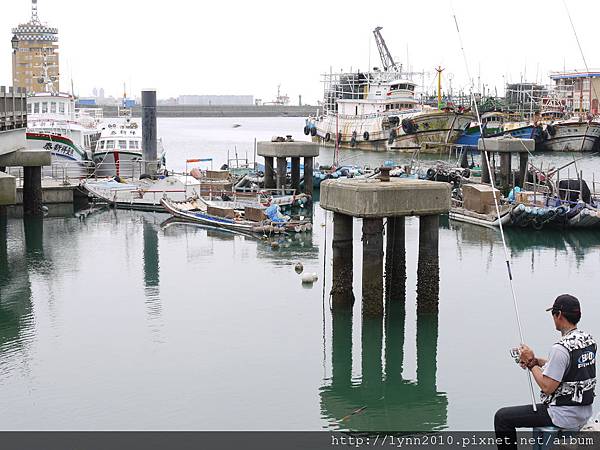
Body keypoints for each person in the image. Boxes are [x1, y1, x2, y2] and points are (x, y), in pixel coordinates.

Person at [494, 294, 596, 450]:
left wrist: (529, 362)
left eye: (553, 314)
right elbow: (570, 370)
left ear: (559, 315)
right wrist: (537, 361)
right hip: (584, 411)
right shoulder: (589, 341)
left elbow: (547, 387)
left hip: (562, 415)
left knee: (502, 417)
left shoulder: (560, 348)